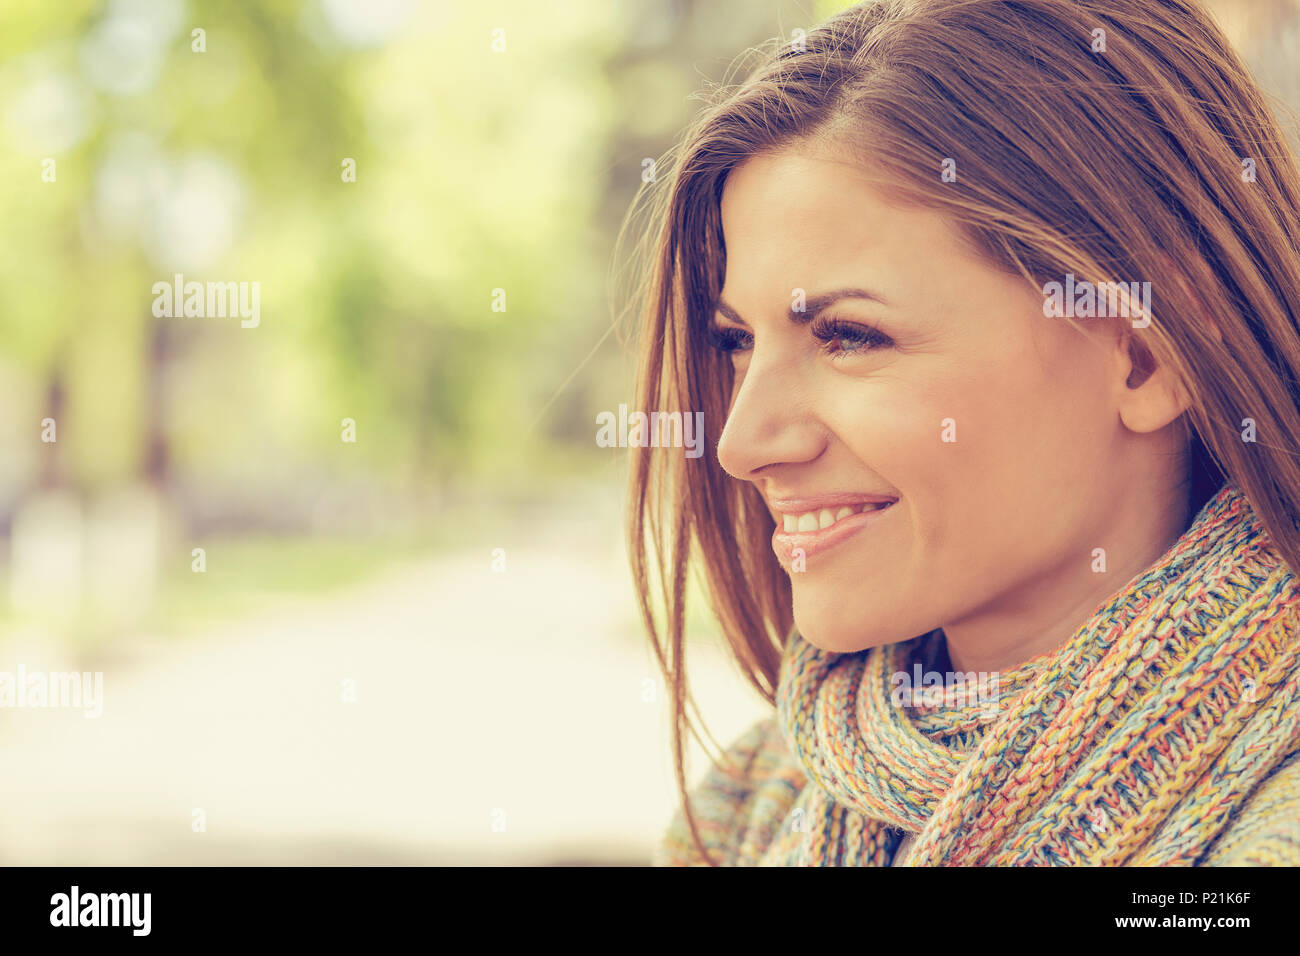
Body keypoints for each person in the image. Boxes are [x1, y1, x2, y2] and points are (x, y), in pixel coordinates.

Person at [622, 0, 1300, 865]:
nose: (742, 442)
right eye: (736, 342)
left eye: (850, 337)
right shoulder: (745, 811)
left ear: (1147, 353)